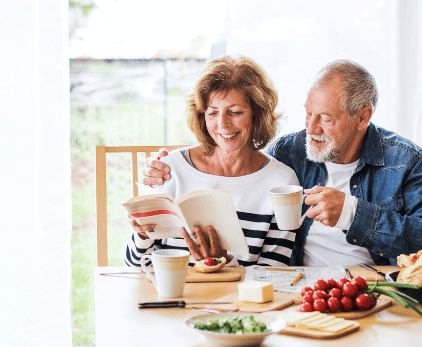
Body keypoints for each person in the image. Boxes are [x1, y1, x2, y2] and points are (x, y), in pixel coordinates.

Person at [143, 59, 422, 266]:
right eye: (308, 113)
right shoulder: (291, 151)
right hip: (298, 289)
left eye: (325, 118)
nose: (311, 129)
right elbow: (233, 155)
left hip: (375, 290)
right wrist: (171, 166)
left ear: (363, 116)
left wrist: (353, 213)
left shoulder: (405, 160)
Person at [123, 55, 300, 268]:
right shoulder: (169, 169)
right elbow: (133, 265)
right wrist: (142, 237)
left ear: (258, 114)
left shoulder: (281, 182)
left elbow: (274, 272)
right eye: (213, 113)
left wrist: (224, 265)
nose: (223, 124)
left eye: (234, 112)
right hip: (175, 296)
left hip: (240, 300)